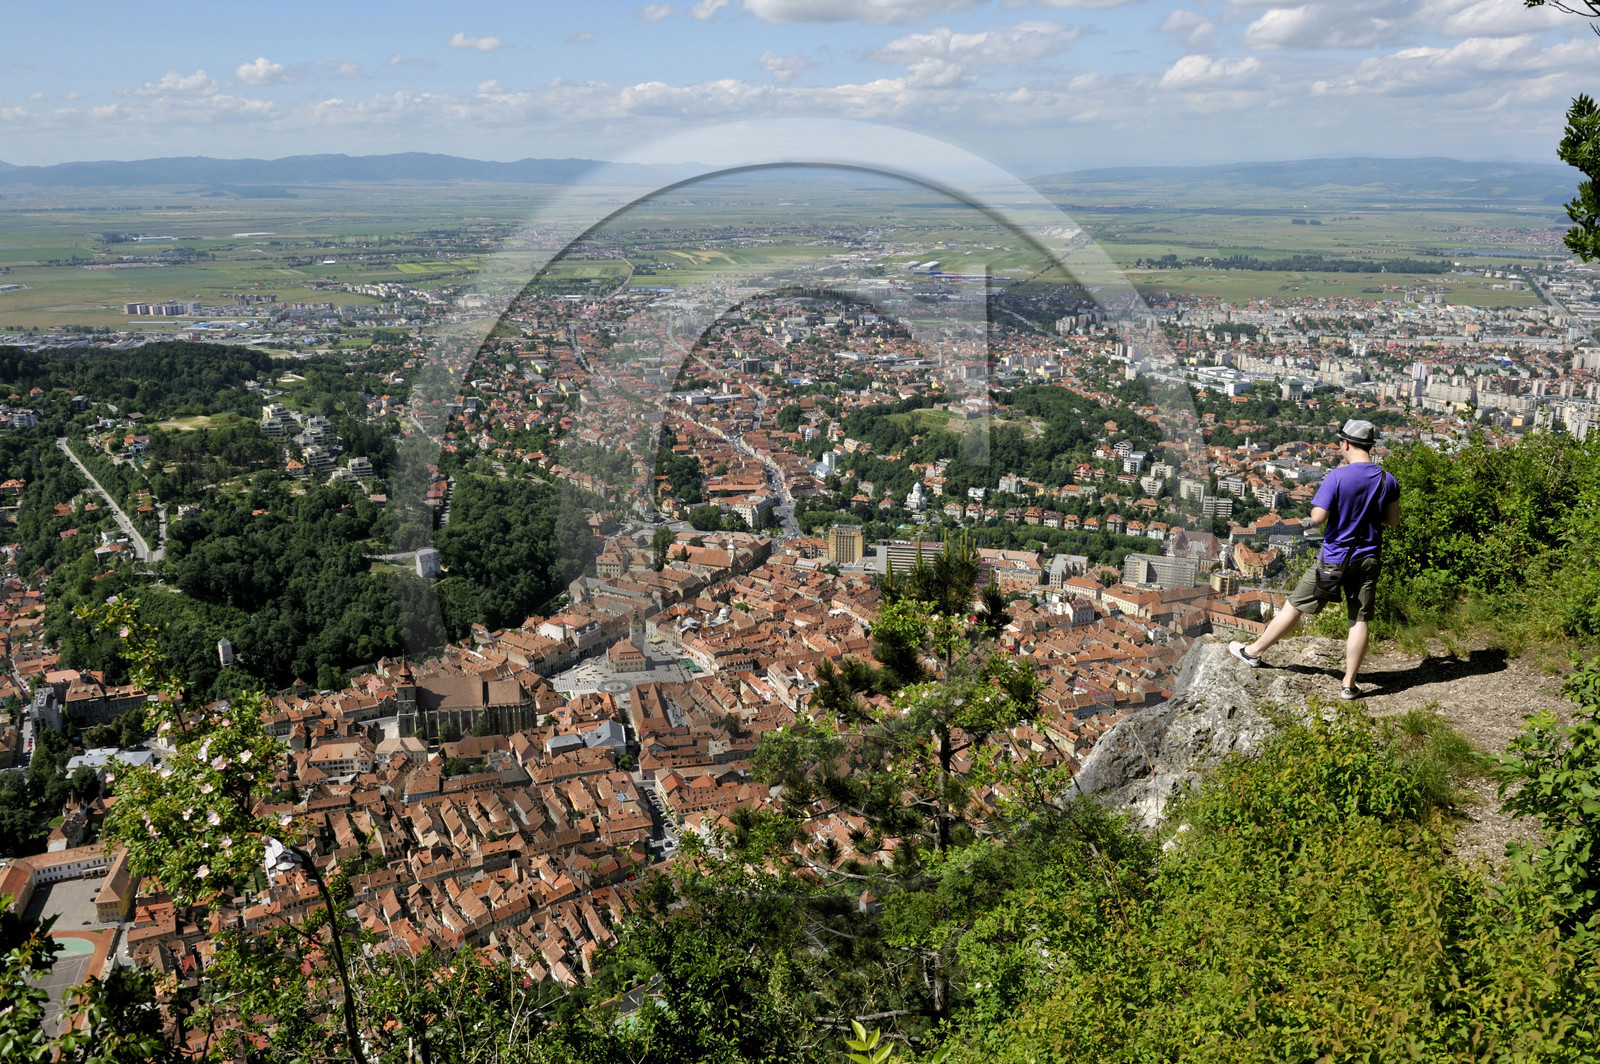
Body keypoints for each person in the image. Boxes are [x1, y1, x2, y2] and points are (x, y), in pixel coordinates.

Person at [1229, 419, 1400, 699]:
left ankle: (1253, 652)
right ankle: (1349, 685)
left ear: (1345, 444)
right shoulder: (1387, 480)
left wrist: (1339, 512)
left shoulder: (1337, 477)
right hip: (1368, 556)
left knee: (1295, 605)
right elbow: (1392, 521)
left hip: (1334, 557)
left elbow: (1318, 517)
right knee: (1359, 619)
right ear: (1370, 446)